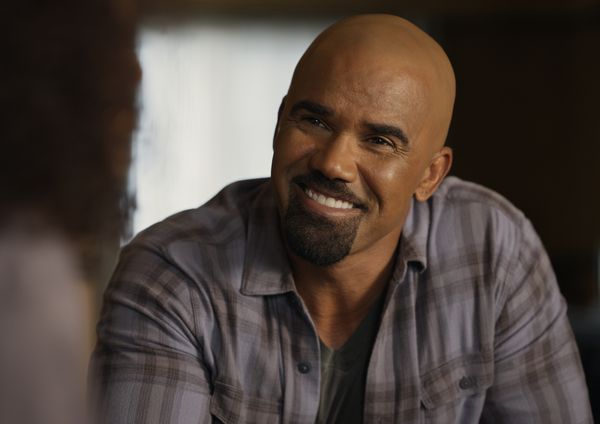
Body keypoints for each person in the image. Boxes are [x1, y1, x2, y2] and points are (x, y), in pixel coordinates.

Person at [90, 14, 592, 423]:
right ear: (279, 122)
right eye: (314, 120)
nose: (333, 163)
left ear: (430, 175)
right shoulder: (172, 274)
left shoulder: (494, 249)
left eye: (379, 141)